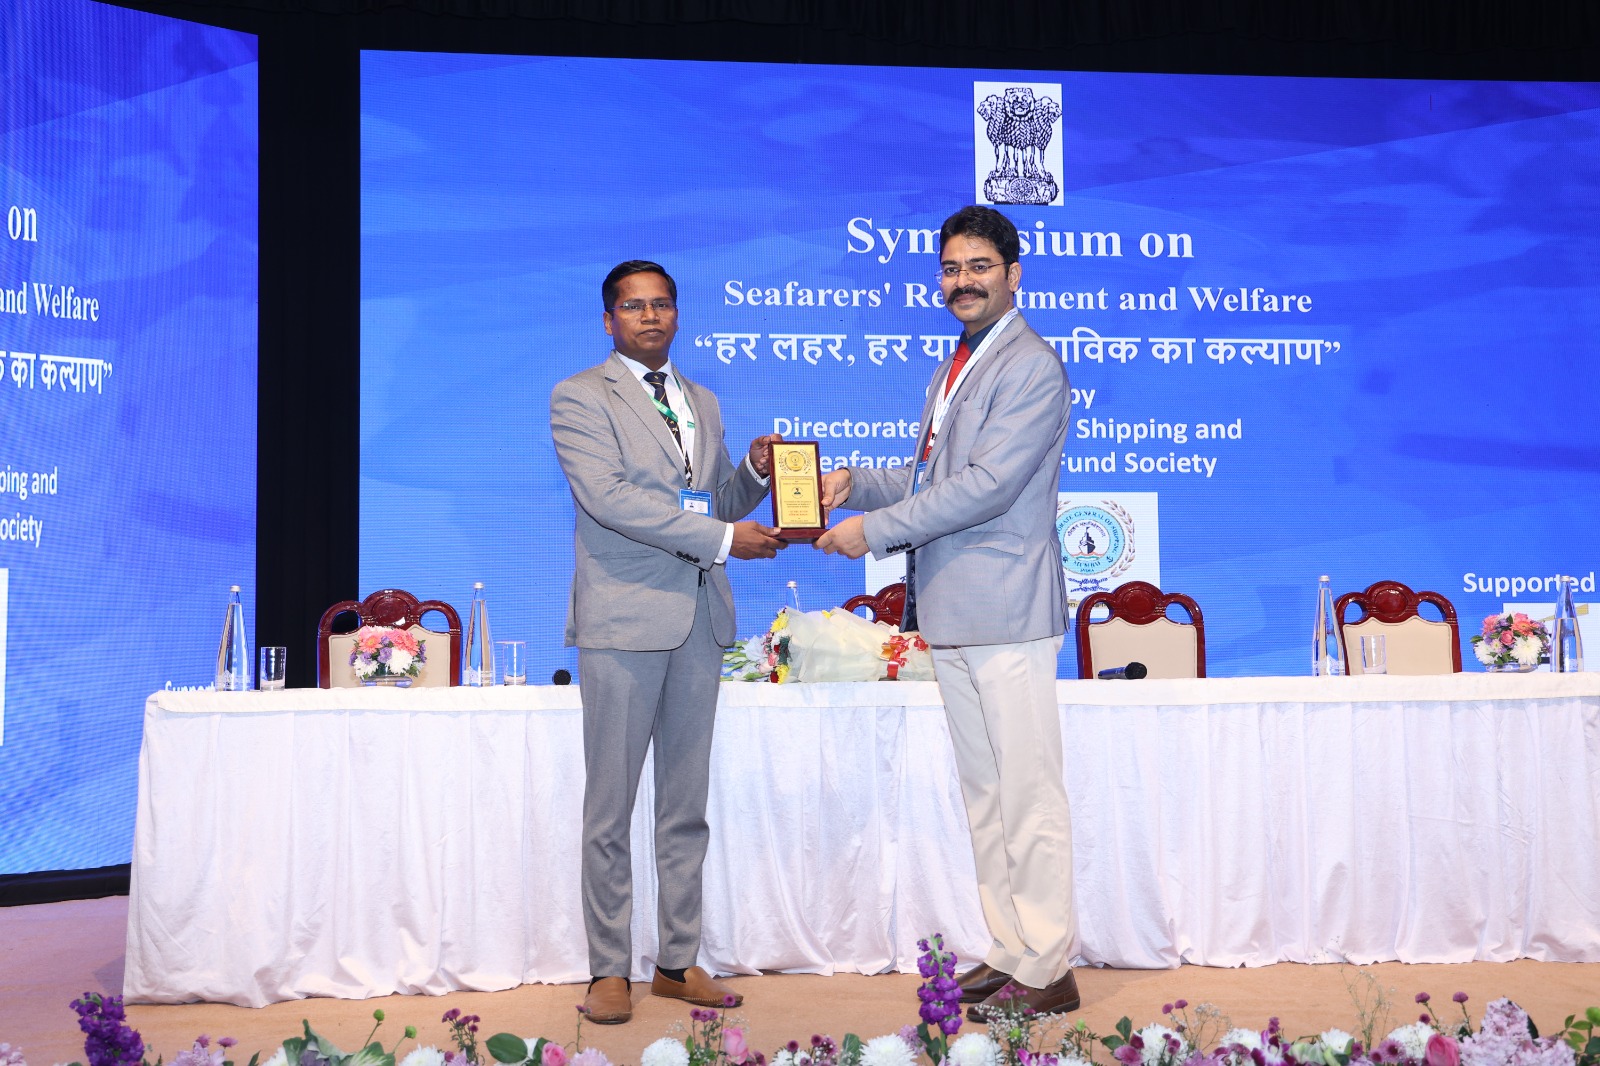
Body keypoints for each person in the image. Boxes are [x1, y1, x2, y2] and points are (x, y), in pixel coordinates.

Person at [815, 206, 1079, 1019]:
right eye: (952, 268)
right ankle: (1012, 948)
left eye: (979, 267)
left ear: (1013, 274)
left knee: (1027, 794)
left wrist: (872, 531)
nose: (963, 281)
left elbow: (987, 488)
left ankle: (1050, 963)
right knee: (987, 794)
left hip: (1007, 607)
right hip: (958, 610)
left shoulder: (1030, 365)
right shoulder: (956, 364)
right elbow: (934, 478)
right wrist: (854, 484)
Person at [551, 260, 785, 1024]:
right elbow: (610, 500)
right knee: (610, 809)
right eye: (633, 306)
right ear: (609, 320)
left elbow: (711, 501)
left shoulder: (701, 400)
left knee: (685, 808)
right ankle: (607, 969)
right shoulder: (580, 396)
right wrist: (725, 536)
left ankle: (678, 962)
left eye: (661, 305)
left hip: (698, 619)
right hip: (624, 621)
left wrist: (752, 476)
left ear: (678, 315)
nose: (649, 317)